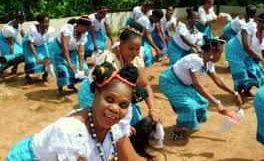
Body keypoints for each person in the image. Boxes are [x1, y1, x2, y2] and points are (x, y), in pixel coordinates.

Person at [6, 63, 148, 161]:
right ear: (96, 93)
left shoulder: (117, 125)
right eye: (109, 99)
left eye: (123, 104)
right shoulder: (72, 132)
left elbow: (130, 158)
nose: (115, 108)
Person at [78, 20, 159, 126]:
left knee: (134, 122)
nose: (135, 53)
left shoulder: (137, 60)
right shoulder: (107, 59)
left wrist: (152, 109)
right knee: (105, 125)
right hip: (95, 94)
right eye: (131, 49)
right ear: (121, 44)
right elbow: (104, 93)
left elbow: (145, 84)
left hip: (118, 96)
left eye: (137, 49)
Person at [159, 38, 242, 140]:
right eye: (220, 53)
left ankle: (185, 118)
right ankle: (177, 130)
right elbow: (197, 85)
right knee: (189, 107)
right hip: (169, 82)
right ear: (212, 52)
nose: (221, 56)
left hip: (184, 84)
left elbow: (218, 81)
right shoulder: (194, 60)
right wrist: (217, 103)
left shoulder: (208, 62)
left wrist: (235, 93)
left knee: (202, 103)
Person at [226, 12, 264, 97]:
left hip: (249, 55)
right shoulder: (249, 28)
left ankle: (246, 91)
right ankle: (238, 95)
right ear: (263, 22)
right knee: (241, 75)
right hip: (235, 51)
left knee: (258, 74)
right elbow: (247, 47)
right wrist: (262, 60)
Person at [49, 16, 90, 94]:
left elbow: (81, 51)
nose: (87, 30)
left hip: (72, 51)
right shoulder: (67, 29)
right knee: (63, 69)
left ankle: (71, 85)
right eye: (86, 28)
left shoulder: (84, 34)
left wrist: (81, 66)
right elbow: (65, 47)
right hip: (58, 50)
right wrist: (69, 63)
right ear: (80, 26)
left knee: (83, 68)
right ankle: (60, 87)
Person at [22, 13, 54, 84]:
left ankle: (45, 75)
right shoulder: (33, 29)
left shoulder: (50, 30)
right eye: (45, 22)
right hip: (29, 44)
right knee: (30, 61)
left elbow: (50, 44)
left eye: (48, 22)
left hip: (41, 44)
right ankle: (27, 76)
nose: (47, 24)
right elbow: (31, 44)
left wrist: (50, 54)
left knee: (47, 59)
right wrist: (36, 57)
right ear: (40, 22)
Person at [0, 10, 26, 76]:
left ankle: (14, 68)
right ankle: (1, 69)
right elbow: (11, 45)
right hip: (4, 41)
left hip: (12, 39)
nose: (25, 19)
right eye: (23, 18)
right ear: (18, 19)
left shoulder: (19, 23)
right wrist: (12, 56)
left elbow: (24, 37)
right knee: (9, 58)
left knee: (23, 53)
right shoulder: (10, 29)